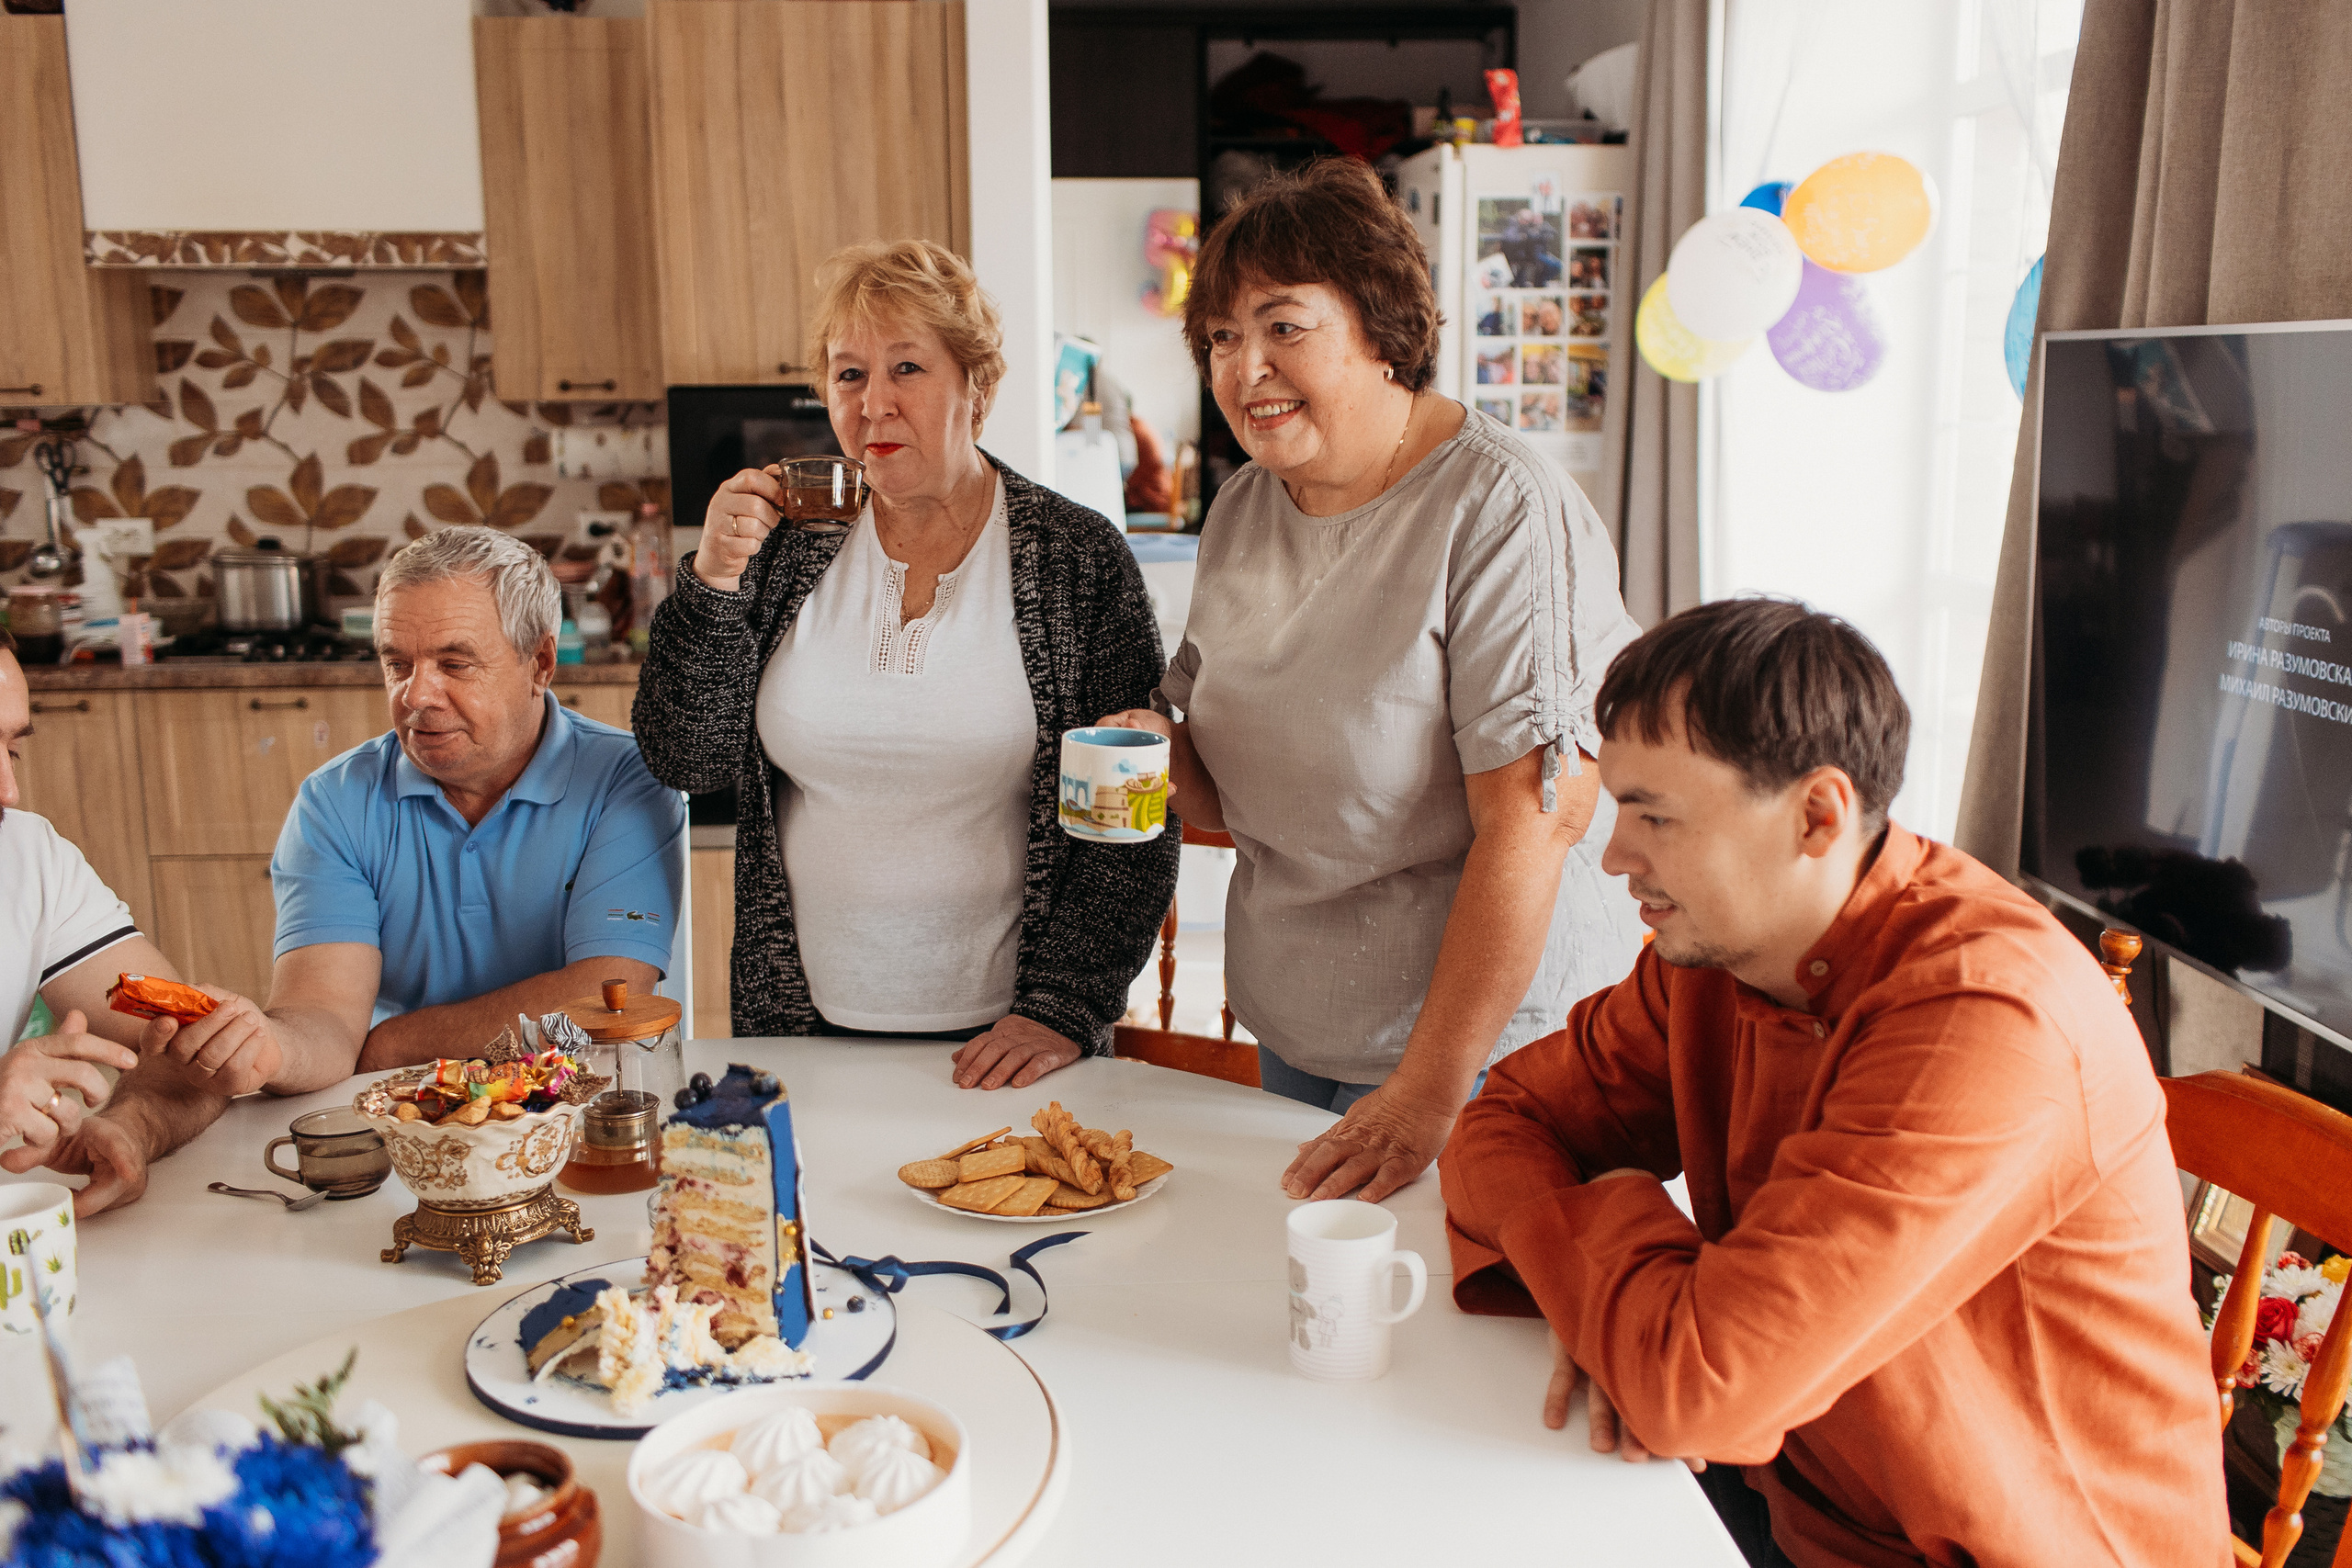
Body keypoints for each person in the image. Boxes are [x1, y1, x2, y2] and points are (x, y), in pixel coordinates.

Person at [1440, 598, 2228, 1567]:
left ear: (1817, 816)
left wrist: (1608, 1226)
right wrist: (1616, 1315)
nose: (1613, 858)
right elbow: (1504, 1118)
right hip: (1782, 1495)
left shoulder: (1986, 1018)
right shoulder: (1718, 953)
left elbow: (1696, 1389)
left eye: (1655, 817)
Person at [1104, 158, 1645, 1202]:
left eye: (1283, 326)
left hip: (1482, 1051)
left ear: (1382, 329)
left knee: (1452, 1334)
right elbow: (1231, 794)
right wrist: (1154, 749)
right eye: (1219, 337)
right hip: (1300, 1019)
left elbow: (1533, 824)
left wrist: (1425, 1089)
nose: (1243, 366)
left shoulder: (1500, 509)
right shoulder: (1243, 510)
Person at [635, 240, 1176, 1091]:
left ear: (979, 387)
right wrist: (711, 581)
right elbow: (687, 759)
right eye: (849, 375)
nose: (874, 403)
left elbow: (1134, 814)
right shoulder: (783, 547)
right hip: (797, 1031)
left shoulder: (1074, 556)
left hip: (1013, 1044)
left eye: (908, 368)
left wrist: (1065, 1007)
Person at [259, 526, 685, 1091]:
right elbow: (324, 1022)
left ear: (539, 663)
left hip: (585, 1097)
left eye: (454, 664)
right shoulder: (334, 802)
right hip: (403, 1104)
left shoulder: (625, 780)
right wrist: (267, 1048)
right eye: (397, 665)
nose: (416, 695)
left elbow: (607, 997)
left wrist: (393, 1044)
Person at [0, 626, 280, 1214]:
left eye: (12, 748)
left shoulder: (29, 860)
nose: (9, 791)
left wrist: (134, 1128)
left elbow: (185, 1053)